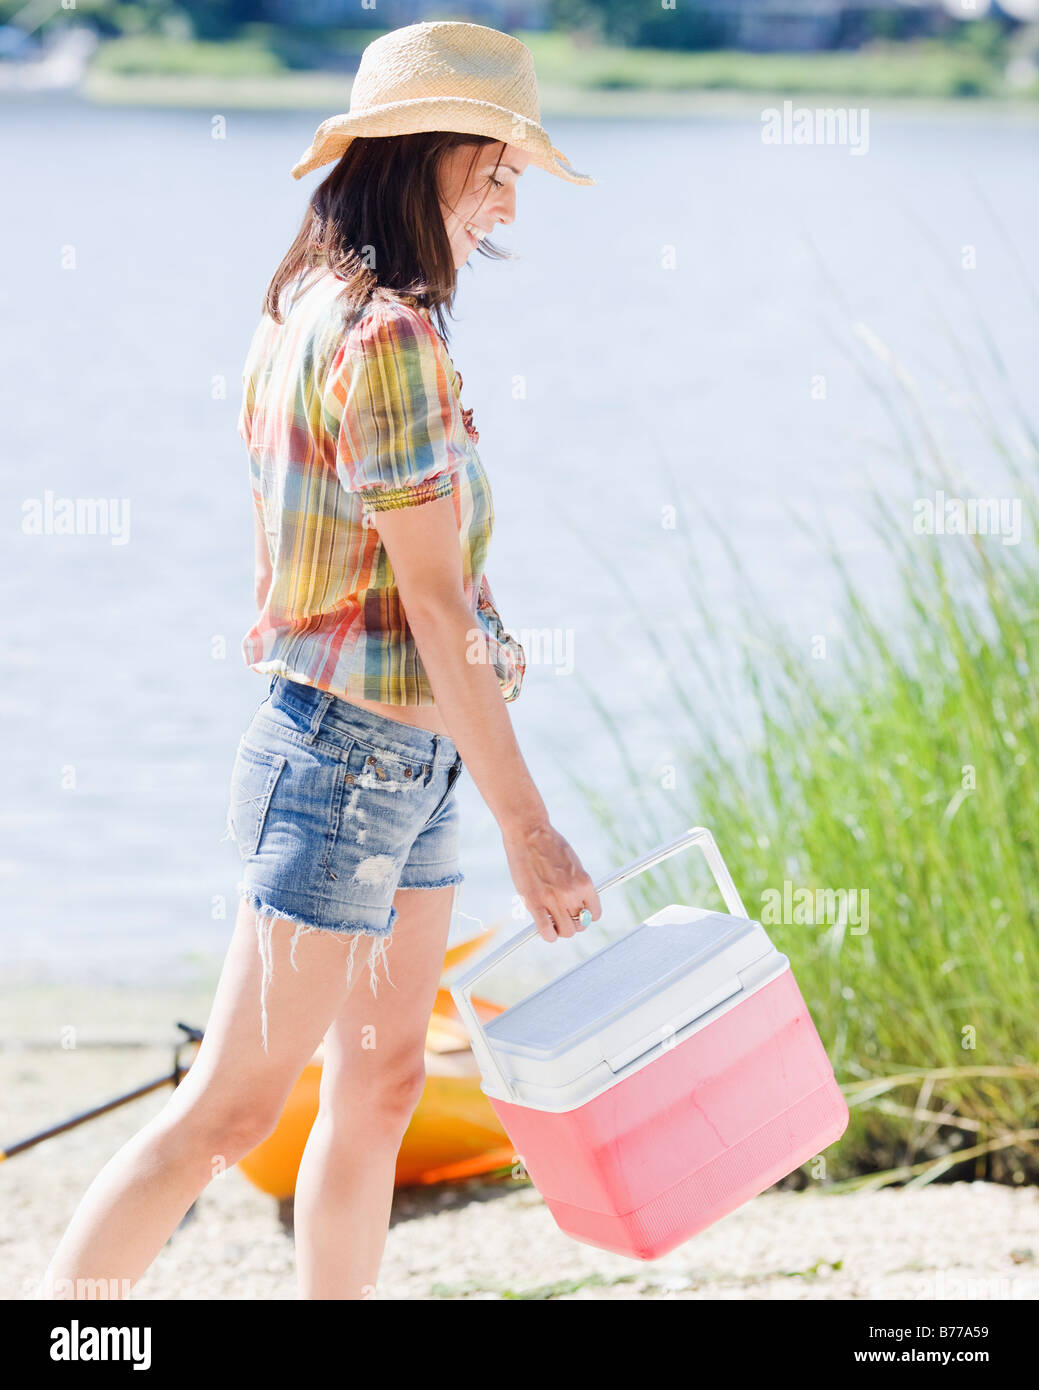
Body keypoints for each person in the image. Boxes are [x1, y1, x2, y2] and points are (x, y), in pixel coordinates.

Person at [41, 20, 599, 1302]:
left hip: (406, 758)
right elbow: (436, 605)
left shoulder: (307, 301)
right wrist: (531, 826)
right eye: (499, 162)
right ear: (423, 155)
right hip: (347, 757)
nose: (513, 196)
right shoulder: (386, 331)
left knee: (386, 1081)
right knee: (230, 1107)